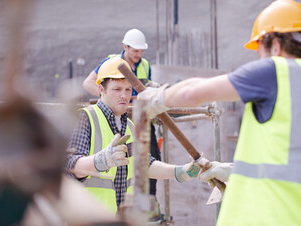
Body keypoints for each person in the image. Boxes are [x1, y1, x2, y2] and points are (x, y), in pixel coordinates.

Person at [137, 0, 301, 226]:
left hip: (280, 224)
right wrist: (233, 172)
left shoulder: (276, 71)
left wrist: (157, 98)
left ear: (274, 45)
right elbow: (300, 160)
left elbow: (193, 92)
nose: (259, 58)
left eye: (259, 50)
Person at [67, 57, 204, 214]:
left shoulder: (131, 127)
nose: (124, 96)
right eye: (117, 89)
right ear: (101, 90)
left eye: (127, 90)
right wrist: (100, 160)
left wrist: (180, 171)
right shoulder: (86, 118)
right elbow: (70, 165)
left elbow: (144, 164)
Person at [83, 28, 162, 198]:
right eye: (135, 50)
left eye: (141, 51)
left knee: (151, 156)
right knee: (118, 159)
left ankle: (149, 201)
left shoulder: (145, 65)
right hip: (116, 117)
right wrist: (110, 97)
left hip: (138, 118)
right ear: (125, 47)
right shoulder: (111, 62)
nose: (138, 54)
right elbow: (87, 83)